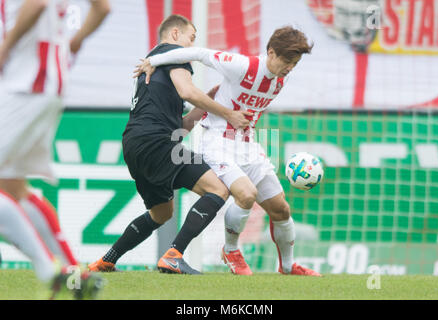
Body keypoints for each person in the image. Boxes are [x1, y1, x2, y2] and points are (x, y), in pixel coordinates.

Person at [134, 25, 322, 276]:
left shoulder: (281, 79)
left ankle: (288, 267)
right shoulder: (243, 65)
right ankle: (231, 250)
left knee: (281, 209)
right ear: (271, 52)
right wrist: (152, 61)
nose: (289, 68)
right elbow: (200, 53)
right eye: (287, 61)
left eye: (295, 63)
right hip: (217, 143)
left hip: (247, 145)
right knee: (246, 195)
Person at [88, 14, 251, 274]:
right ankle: (174, 255)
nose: (192, 45)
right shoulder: (174, 53)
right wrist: (228, 113)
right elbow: (188, 92)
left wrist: (205, 104)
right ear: (175, 34)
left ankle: (107, 259)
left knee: (161, 213)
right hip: (156, 142)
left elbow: (181, 127)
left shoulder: (152, 67)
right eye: (191, 38)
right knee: (218, 189)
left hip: (134, 143)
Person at [0, 0, 110, 298]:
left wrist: (6, 47)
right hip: (46, 86)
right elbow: (103, 8)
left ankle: (51, 270)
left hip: (25, 86)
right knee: (13, 188)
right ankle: (77, 275)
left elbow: (36, 3)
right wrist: (72, 44)